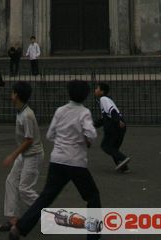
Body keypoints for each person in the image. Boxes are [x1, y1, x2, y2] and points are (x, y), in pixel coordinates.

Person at [9, 80, 101, 240]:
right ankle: (94, 235)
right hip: (76, 161)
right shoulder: (84, 112)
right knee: (92, 196)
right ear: (85, 96)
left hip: (57, 160)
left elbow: (50, 134)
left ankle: (20, 228)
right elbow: (91, 134)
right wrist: (85, 140)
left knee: (46, 196)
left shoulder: (60, 110)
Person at [0, 81, 44, 233]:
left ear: (17, 95)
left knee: (24, 188)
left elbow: (29, 140)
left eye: (13, 92)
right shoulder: (21, 111)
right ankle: (13, 219)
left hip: (33, 155)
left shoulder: (27, 115)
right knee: (11, 181)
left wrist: (13, 155)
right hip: (25, 155)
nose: (11, 94)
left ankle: (47, 215)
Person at [93, 82, 130, 172]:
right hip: (118, 125)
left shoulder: (103, 99)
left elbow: (112, 110)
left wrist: (118, 121)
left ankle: (123, 158)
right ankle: (123, 167)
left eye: (97, 88)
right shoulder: (106, 100)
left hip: (115, 125)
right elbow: (104, 118)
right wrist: (92, 125)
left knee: (106, 146)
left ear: (102, 91)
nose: (95, 90)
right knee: (113, 148)